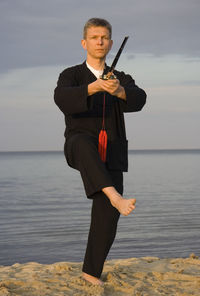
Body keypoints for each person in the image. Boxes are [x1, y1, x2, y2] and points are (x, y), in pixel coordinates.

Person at [54, 18, 146, 285]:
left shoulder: (121, 77)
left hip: (112, 150)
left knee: (108, 214)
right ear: (85, 42)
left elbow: (140, 99)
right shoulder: (70, 74)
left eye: (104, 37)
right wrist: (94, 87)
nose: (100, 42)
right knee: (83, 143)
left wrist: (118, 90)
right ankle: (114, 195)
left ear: (111, 43)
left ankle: (90, 273)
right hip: (78, 146)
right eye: (94, 37)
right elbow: (62, 99)